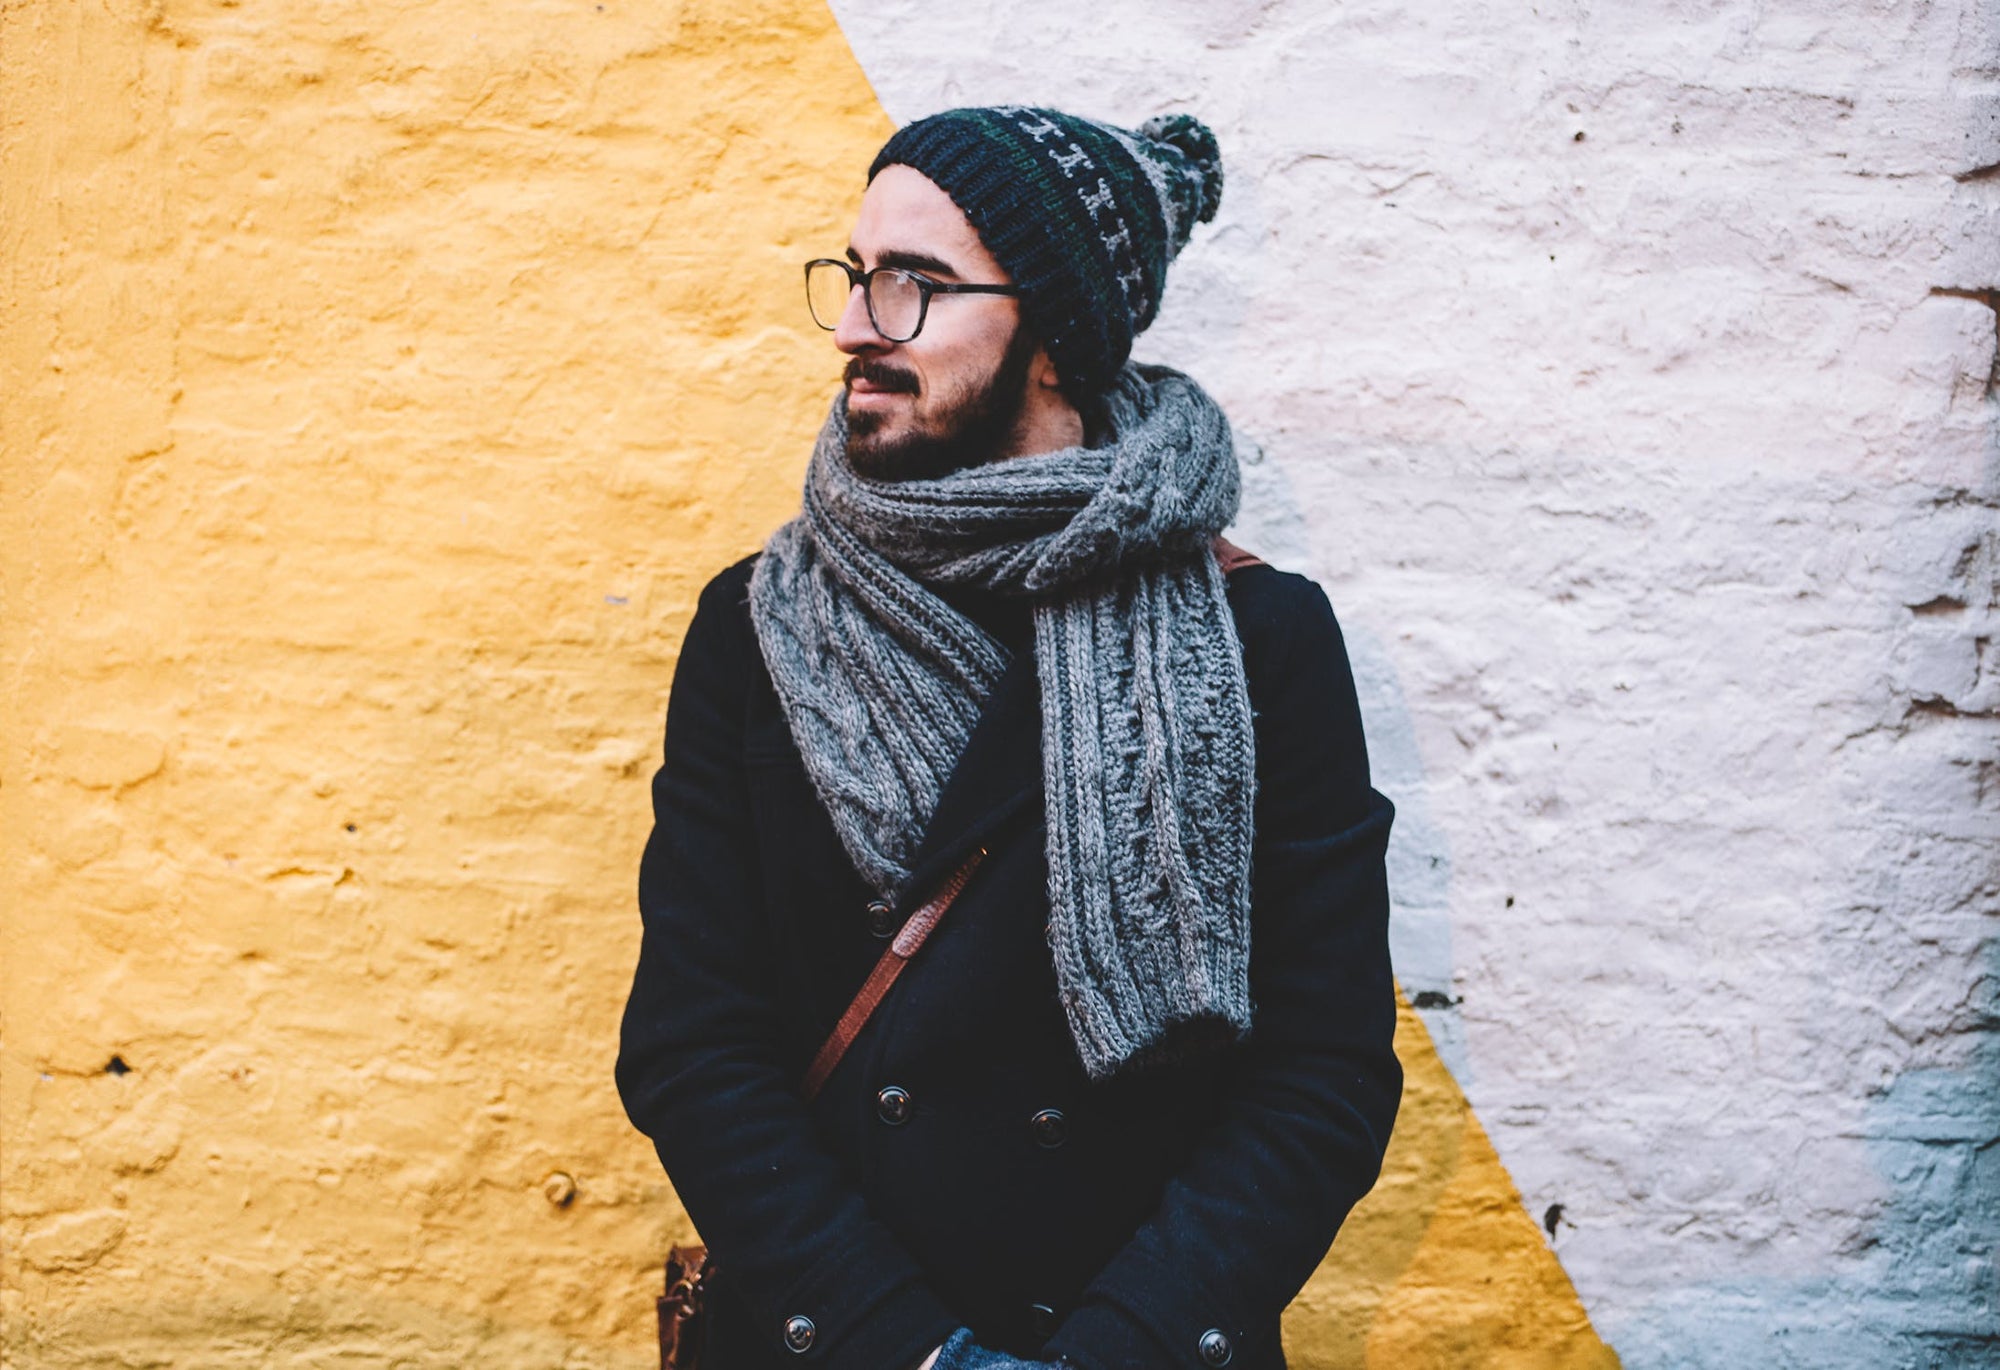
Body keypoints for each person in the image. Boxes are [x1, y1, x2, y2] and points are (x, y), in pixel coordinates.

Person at [617, 106, 1401, 1370]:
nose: (856, 324)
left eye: (915, 285)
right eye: (857, 273)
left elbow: (1322, 1072)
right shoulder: (757, 628)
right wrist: (919, 1351)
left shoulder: (1261, 636)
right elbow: (691, 1041)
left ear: (1055, 333)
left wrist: (1118, 1345)